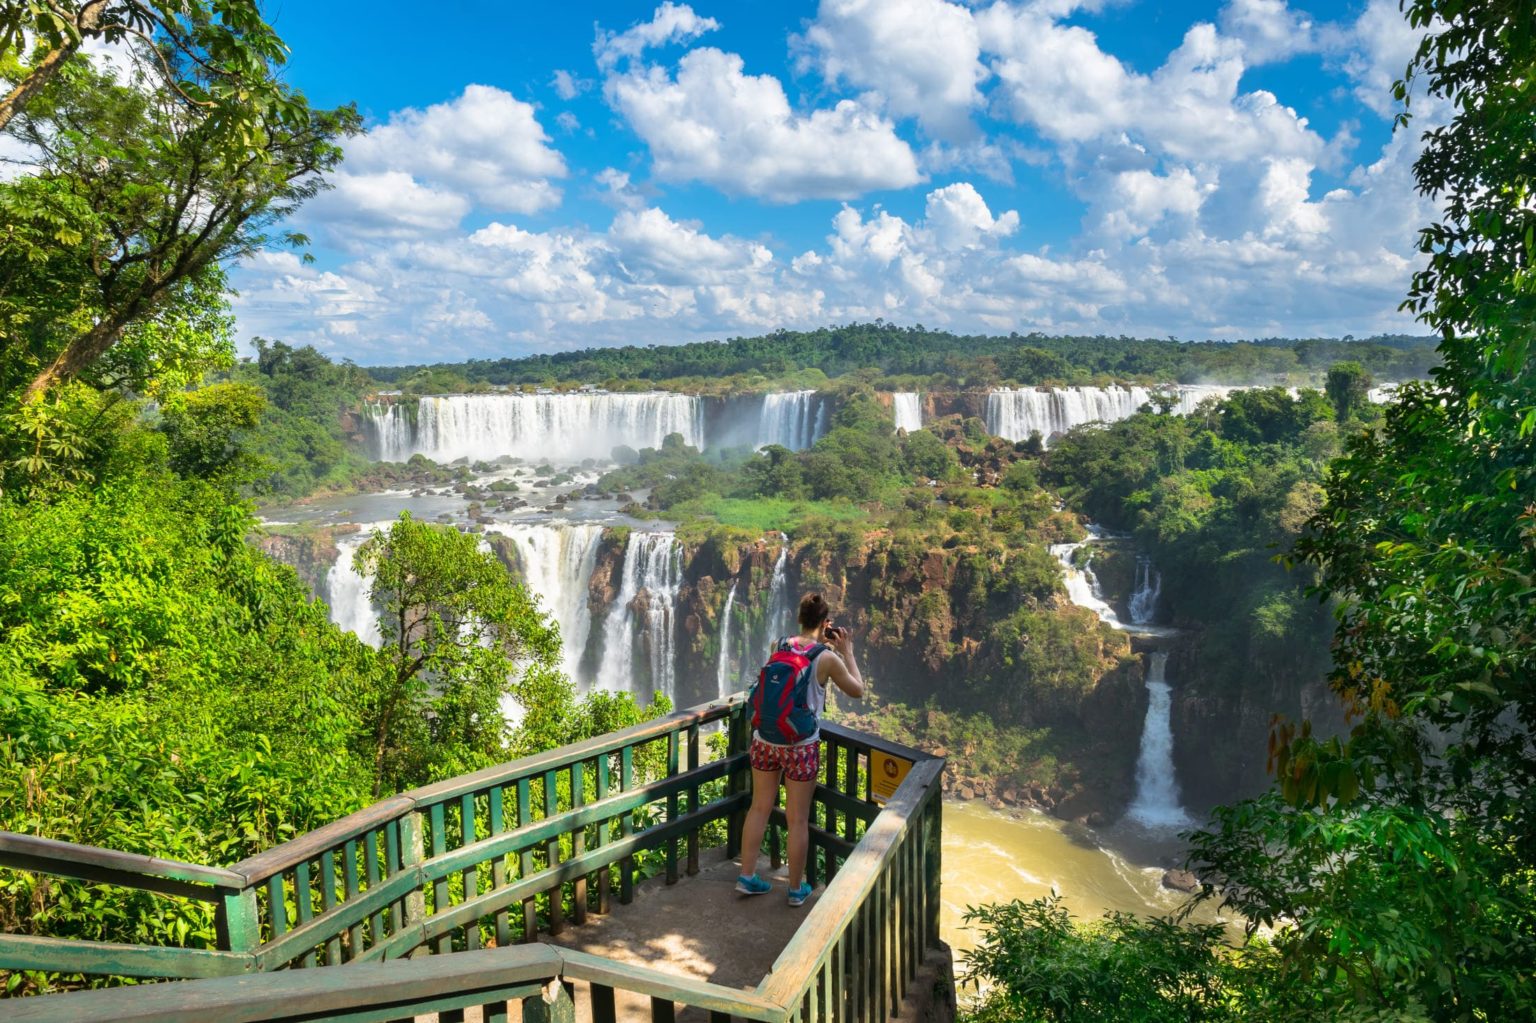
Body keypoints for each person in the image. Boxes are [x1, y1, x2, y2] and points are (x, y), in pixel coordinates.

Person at [736, 592, 864, 907]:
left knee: (759, 808)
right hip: (800, 747)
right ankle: (795, 890)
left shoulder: (778, 645)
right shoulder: (827, 658)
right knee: (797, 819)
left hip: (764, 740)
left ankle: (746, 876)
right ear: (826, 623)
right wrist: (847, 652)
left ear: (799, 618)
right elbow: (857, 691)